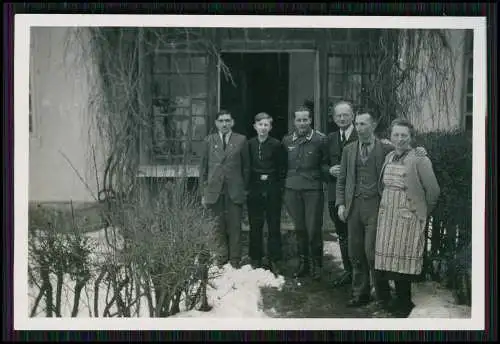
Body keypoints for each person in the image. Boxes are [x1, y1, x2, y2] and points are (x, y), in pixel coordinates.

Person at [336, 111, 428, 308]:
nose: (360, 128)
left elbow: (406, 149)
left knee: (373, 253)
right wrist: (341, 204)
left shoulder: (386, 148)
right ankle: (359, 293)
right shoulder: (348, 149)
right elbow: (342, 180)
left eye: (364, 124)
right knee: (355, 253)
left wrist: (420, 150)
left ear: (373, 126)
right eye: (357, 124)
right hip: (353, 208)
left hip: (376, 208)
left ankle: (382, 296)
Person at [374, 118, 440, 317]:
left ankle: (405, 302)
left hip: (408, 217)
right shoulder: (389, 156)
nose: (400, 139)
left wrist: (422, 213)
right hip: (388, 216)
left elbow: (433, 190)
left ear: (411, 137)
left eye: (404, 135)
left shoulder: (420, 158)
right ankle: (396, 299)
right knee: (389, 260)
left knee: (404, 262)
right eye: (396, 135)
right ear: (390, 137)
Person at [282, 106, 330, 280]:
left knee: (313, 228)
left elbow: (325, 163)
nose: (302, 123)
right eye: (298, 120)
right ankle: (304, 264)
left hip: (312, 189)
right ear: (294, 121)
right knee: (300, 228)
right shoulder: (287, 141)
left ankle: (317, 265)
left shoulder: (320, 140)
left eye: (305, 120)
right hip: (292, 190)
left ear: (310, 120)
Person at [199, 110, 250, 269]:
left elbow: (246, 168)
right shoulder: (209, 141)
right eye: (221, 121)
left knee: (235, 225)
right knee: (217, 224)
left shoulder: (241, 140)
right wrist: (204, 192)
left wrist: (244, 188)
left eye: (227, 120)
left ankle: (235, 259)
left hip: (234, 189)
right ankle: (221, 257)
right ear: (216, 123)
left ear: (232, 122)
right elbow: (203, 169)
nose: (224, 124)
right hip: (214, 190)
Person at [246, 112, 287, 274]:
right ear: (255, 126)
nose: (263, 128)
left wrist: (276, 184)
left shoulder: (276, 145)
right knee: (255, 224)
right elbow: (246, 166)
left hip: (272, 188)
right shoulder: (249, 144)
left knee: (273, 225)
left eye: (266, 125)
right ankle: (255, 258)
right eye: (260, 125)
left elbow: (281, 168)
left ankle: (274, 259)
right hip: (255, 188)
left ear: (270, 127)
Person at [326, 100, 358, 287]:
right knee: (342, 234)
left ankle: (359, 274)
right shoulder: (329, 139)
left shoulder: (360, 134)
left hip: (355, 195)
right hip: (334, 195)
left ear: (352, 116)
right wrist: (329, 170)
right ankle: (348, 271)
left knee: (356, 235)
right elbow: (320, 164)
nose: (342, 118)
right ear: (334, 118)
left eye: (346, 115)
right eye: (338, 115)